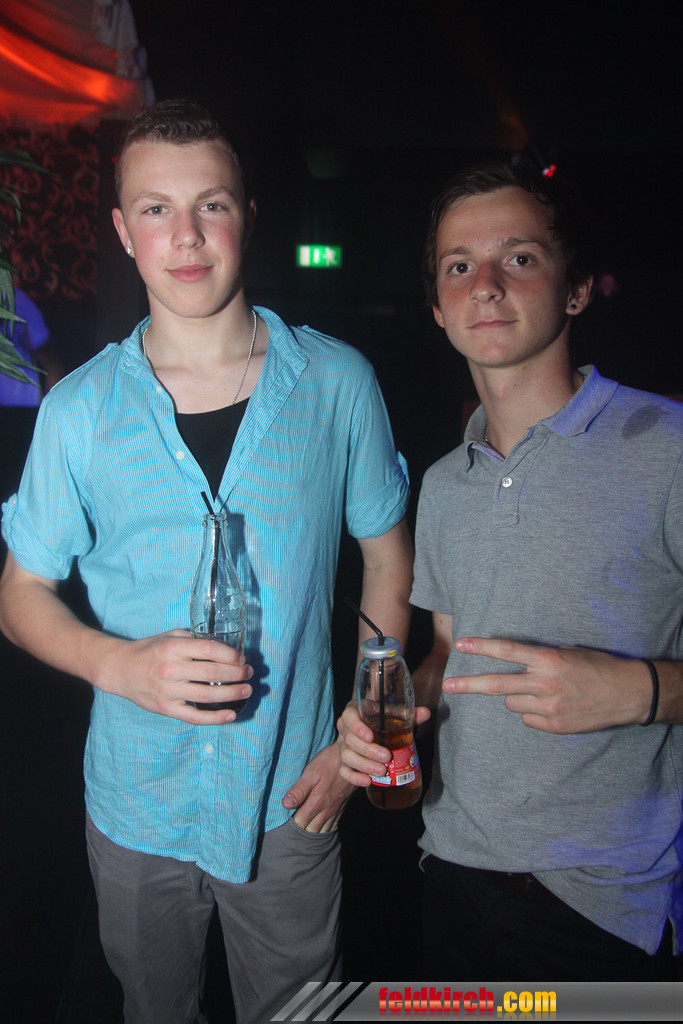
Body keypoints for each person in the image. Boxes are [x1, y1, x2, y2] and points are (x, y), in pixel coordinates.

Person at [0, 99, 413, 1024]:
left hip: (293, 795)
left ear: (247, 216)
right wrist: (118, 665)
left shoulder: (338, 381)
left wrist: (367, 738)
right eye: (156, 209)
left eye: (210, 205)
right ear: (123, 230)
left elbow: (389, 564)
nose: (185, 236)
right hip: (136, 804)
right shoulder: (76, 410)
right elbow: (19, 593)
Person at [338, 161, 683, 980]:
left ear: (575, 289)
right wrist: (390, 712)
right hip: (451, 873)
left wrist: (640, 691)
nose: (485, 285)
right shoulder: (443, 481)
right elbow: (447, 652)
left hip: (603, 904)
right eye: (459, 266)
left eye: (518, 257)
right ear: (437, 309)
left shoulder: (666, 448)